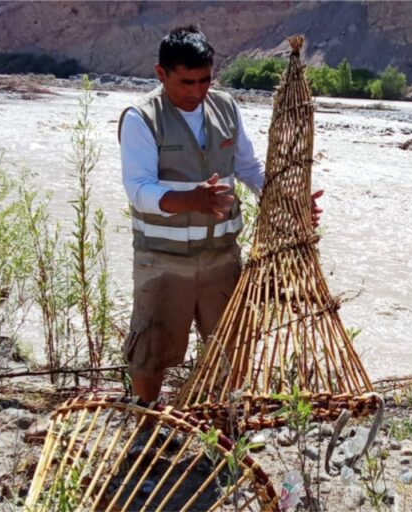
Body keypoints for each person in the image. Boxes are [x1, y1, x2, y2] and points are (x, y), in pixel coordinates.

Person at [119, 25, 322, 404]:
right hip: (163, 260)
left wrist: (288, 200)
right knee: (151, 347)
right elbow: (139, 190)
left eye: (205, 80)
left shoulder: (226, 107)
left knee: (232, 344)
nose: (196, 92)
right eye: (185, 82)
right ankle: (145, 424)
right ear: (160, 74)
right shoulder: (141, 119)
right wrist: (192, 199)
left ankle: (220, 418)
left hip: (221, 257)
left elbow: (248, 168)